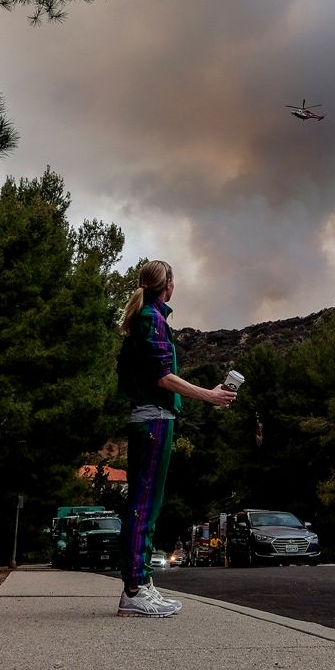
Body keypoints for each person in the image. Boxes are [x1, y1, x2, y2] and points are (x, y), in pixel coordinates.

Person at [114, 260, 236, 617]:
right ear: (168, 285)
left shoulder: (150, 316)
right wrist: (210, 396)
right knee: (143, 504)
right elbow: (163, 377)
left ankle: (141, 584)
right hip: (153, 420)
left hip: (153, 419)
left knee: (147, 503)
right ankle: (135, 589)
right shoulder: (151, 320)